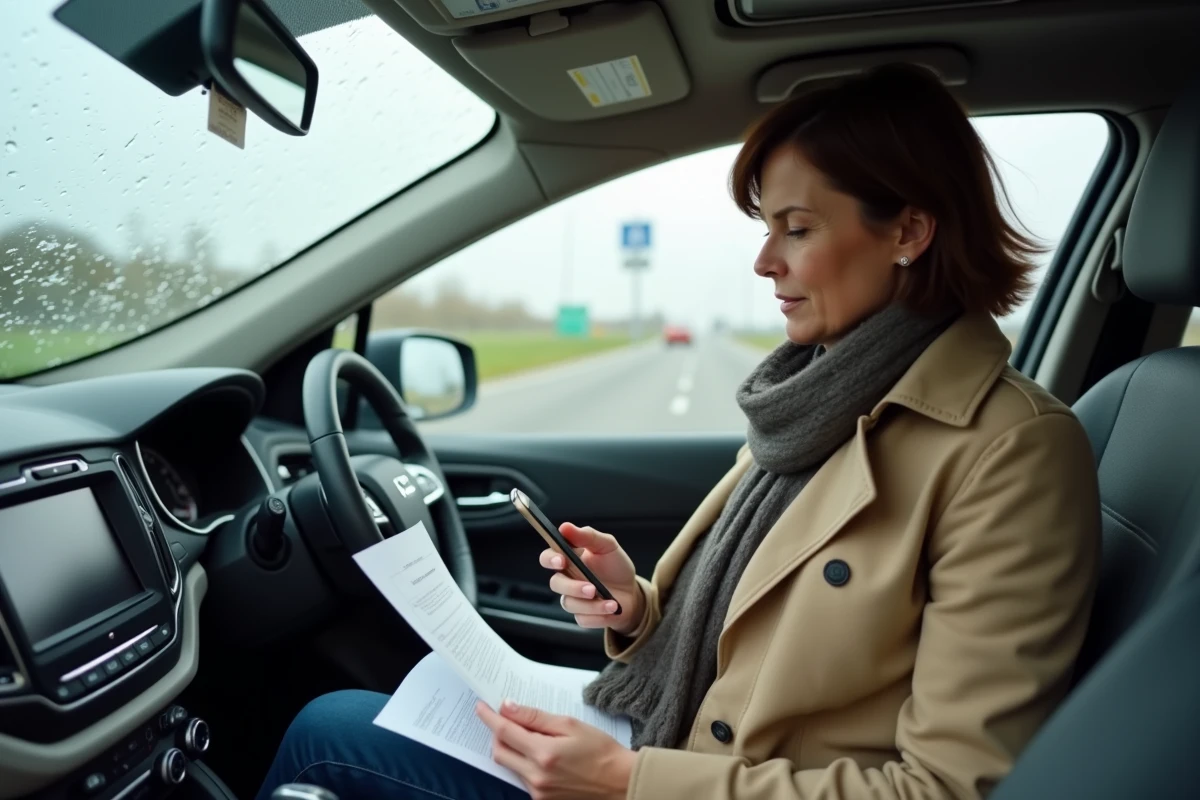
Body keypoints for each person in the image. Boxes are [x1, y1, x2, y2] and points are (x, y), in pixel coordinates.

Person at [255, 63, 1101, 800]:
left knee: (330, 732)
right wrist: (639, 608)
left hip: (666, 781)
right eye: (766, 227)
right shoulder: (817, 398)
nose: (765, 262)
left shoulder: (1010, 452)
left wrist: (628, 784)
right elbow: (756, 650)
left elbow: (952, 788)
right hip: (669, 758)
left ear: (909, 233)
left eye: (796, 229)